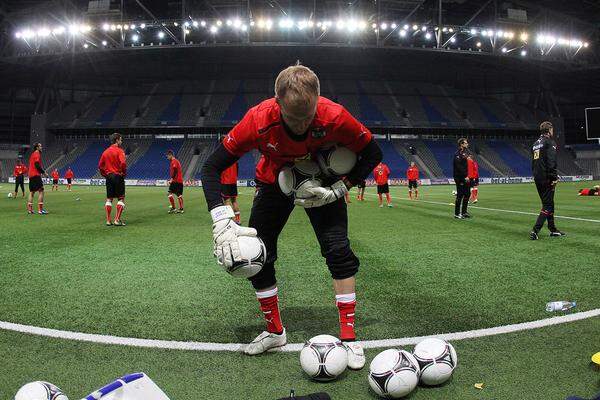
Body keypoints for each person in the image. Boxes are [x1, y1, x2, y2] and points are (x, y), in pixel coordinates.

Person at [200, 64, 382, 368]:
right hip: (274, 182)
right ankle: (274, 331)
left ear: (318, 103)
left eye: (308, 118)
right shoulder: (257, 119)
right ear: (277, 103)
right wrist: (221, 216)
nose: (301, 126)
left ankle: (349, 337)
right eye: (293, 118)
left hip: (322, 185)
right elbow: (211, 167)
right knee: (257, 254)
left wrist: (341, 187)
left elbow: (372, 153)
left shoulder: (335, 115)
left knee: (338, 250)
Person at [530, 121, 565, 240]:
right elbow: (551, 161)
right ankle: (535, 230)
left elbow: (534, 162)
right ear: (549, 130)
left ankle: (553, 229)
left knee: (549, 203)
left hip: (537, 177)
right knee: (547, 205)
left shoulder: (535, 143)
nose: (553, 131)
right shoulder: (550, 142)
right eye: (552, 129)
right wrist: (554, 177)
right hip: (547, 177)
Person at [98, 133, 127, 226]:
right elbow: (123, 163)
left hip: (109, 177)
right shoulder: (120, 151)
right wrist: (123, 173)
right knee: (121, 199)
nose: (121, 141)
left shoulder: (105, 152)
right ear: (117, 140)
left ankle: (108, 220)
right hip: (118, 176)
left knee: (109, 199)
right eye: (121, 140)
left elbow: (100, 166)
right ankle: (117, 220)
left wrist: (104, 175)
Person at [27, 142, 48, 214]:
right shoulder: (37, 154)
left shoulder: (32, 154)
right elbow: (37, 165)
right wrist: (44, 173)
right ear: (37, 147)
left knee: (32, 192)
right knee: (41, 191)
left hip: (30, 175)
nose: (41, 147)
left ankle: (30, 210)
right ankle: (40, 210)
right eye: (40, 146)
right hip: (35, 174)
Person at [453, 138, 471, 219]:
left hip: (465, 176)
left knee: (467, 194)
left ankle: (464, 212)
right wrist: (465, 176)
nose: (467, 144)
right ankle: (457, 214)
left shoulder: (465, 153)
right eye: (466, 143)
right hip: (459, 177)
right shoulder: (458, 153)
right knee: (460, 195)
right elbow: (458, 166)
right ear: (461, 144)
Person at [166, 149, 184, 214]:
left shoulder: (174, 161)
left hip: (177, 181)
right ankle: (174, 208)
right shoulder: (173, 161)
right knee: (169, 193)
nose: (167, 157)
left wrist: (171, 179)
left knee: (178, 195)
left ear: (170, 155)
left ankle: (181, 209)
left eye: (167, 156)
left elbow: (175, 170)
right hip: (175, 181)